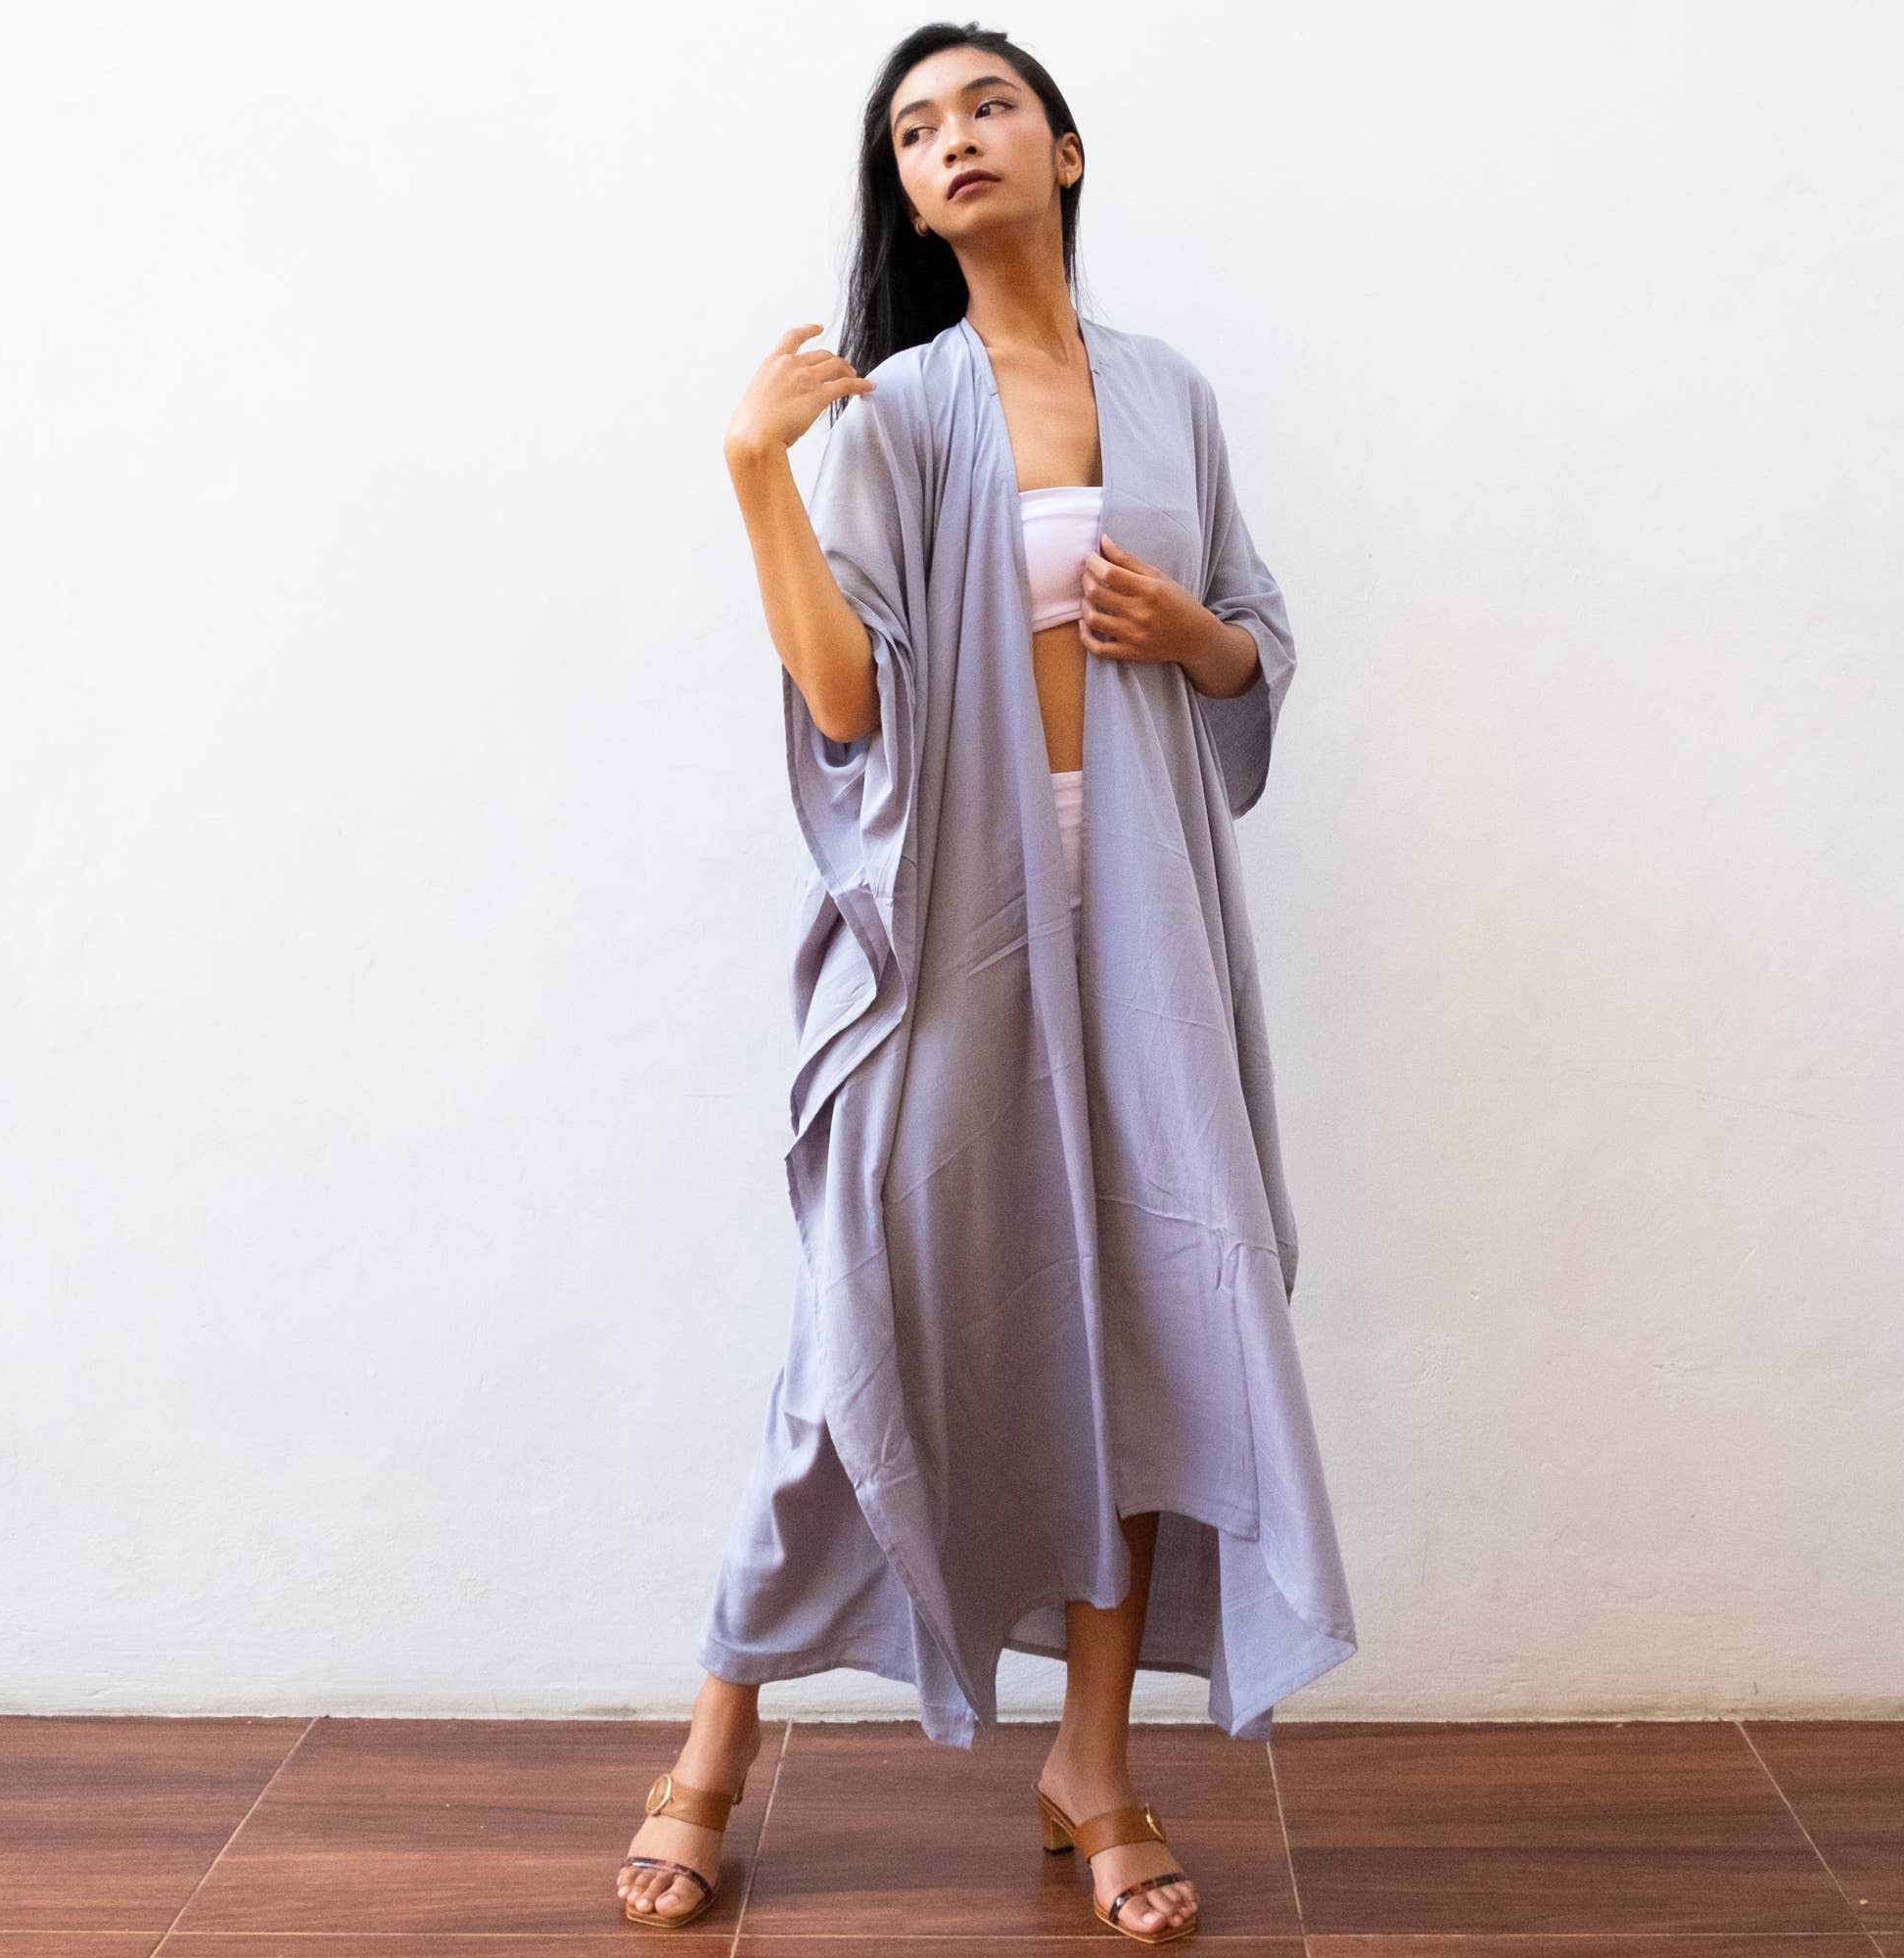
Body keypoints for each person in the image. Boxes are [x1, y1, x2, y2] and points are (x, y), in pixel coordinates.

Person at [619, 23, 1355, 1944]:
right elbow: (845, 701)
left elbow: (1254, 649)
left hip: (1149, 928)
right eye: (917, 128)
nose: (954, 140)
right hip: (952, 924)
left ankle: (1093, 1765)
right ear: (908, 191)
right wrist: (755, 474)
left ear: (1065, 151)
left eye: (989, 106)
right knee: (857, 1317)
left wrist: (1188, 631)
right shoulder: (897, 415)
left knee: (1150, 1312)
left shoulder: (1172, 397)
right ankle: (712, 1748)